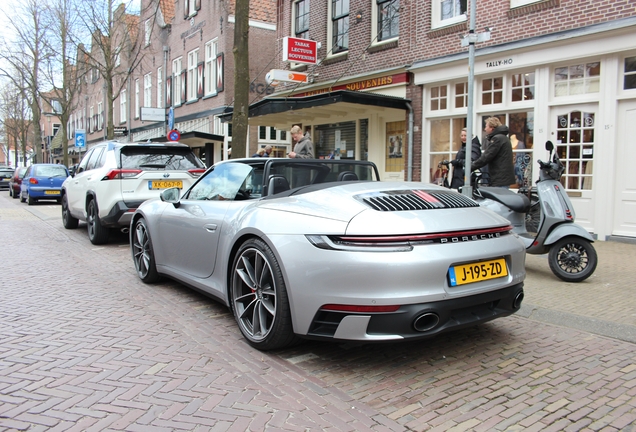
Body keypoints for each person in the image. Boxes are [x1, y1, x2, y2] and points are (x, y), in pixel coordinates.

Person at [471, 117, 515, 188]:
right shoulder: (503, 137)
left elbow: (486, 156)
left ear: (492, 128)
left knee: (499, 198)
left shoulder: (497, 139)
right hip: (503, 178)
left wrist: (471, 167)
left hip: (500, 178)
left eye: (486, 126)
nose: (485, 129)